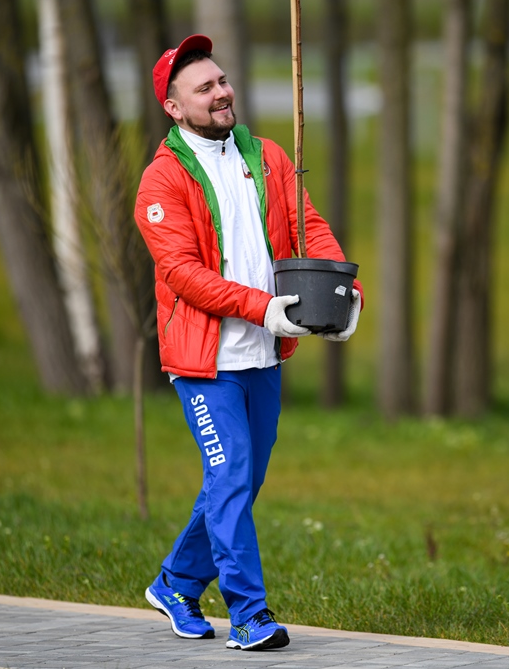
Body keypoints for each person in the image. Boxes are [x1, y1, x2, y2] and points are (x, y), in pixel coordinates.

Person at [133, 34, 362, 651]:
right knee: (230, 473)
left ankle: (176, 583)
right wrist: (263, 308)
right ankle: (250, 614)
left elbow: (309, 228)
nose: (221, 93)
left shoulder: (268, 157)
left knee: (239, 480)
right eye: (203, 88)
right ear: (174, 108)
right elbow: (182, 274)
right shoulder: (161, 182)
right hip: (204, 361)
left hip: (264, 352)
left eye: (222, 81)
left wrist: (345, 293)